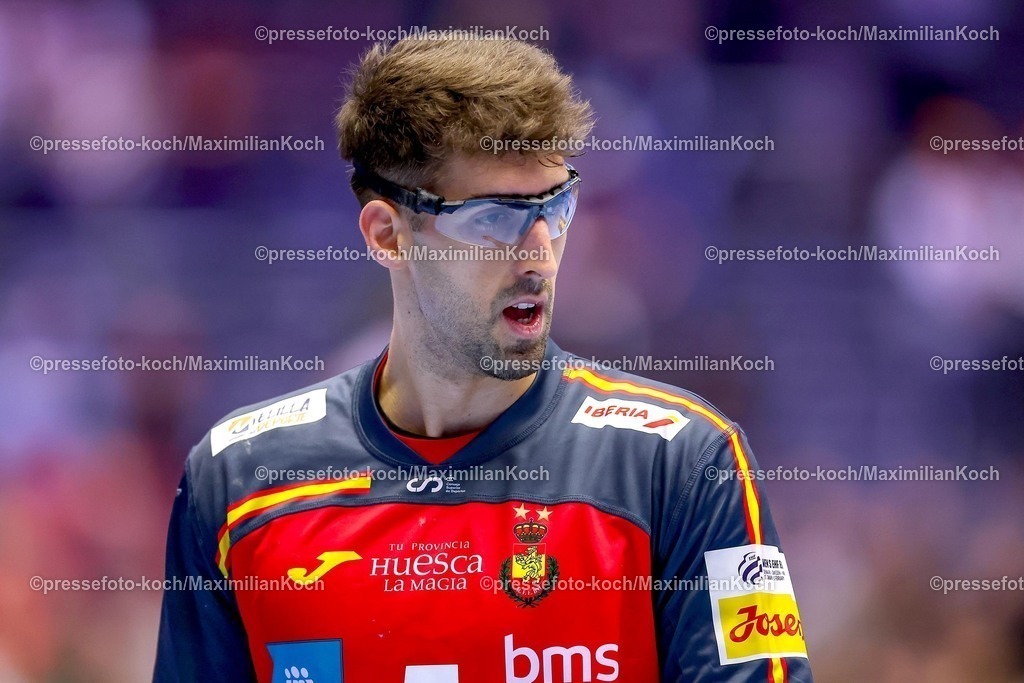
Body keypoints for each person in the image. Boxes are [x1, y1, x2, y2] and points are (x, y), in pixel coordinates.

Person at [155, 35, 813, 683]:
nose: (539, 253)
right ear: (388, 234)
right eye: (494, 218)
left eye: (555, 208)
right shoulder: (239, 481)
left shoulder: (683, 463)